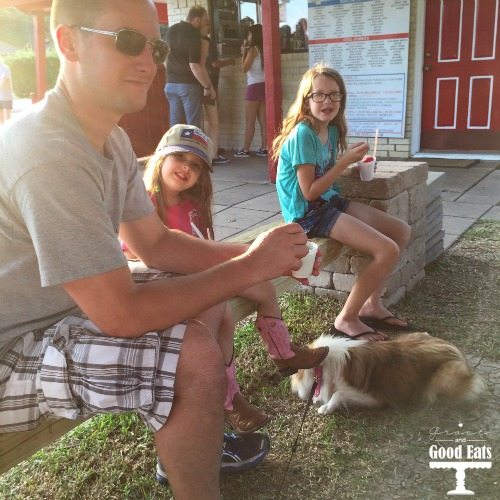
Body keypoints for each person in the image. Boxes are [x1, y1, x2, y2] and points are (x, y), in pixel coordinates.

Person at [0, 1, 319, 499]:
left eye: (156, 45)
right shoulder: (47, 152)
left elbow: (155, 244)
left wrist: (256, 253)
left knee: (208, 299)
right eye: (128, 40)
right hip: (12, 349)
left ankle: (189, 454)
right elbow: (120, 313)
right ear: (68, 43)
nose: (149, 61)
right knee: (190, 356)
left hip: (63, 309)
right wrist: (251, 266)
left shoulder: (112, 139)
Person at [124, 123, 329, 426]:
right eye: (180, 157)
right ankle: (228, 398)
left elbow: (205, 248)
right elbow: (135, 251)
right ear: (161, 157)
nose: (186, 169)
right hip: (162, 281)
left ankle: (283, 353)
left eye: (196, 165)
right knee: (222, 311)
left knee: (264, 289)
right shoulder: (143, 202)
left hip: (199, 271)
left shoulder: (192, 205)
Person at [273, 64, 412, 342]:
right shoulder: (303, 133)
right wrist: (343, 162)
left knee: (400, 231)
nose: (327, 102)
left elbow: (323, 175)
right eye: (319, 95)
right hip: (307, 214)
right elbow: (309, 191)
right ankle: (347, 318)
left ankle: (372, 305)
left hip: (328, 201)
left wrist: (353, 168)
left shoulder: (332, 130)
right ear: (306, 99)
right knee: (387, 250)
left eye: (334, 95)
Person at [165, 5, 215, 128]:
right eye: (204, 21)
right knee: (193, 126)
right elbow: (194, 65)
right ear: (197, 20)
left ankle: (175, 147)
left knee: (175, 126)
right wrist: (207, 87)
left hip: (170, 84)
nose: (205, 23)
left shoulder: (171, 30)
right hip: (188, 85)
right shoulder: (193, 34)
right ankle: (193, 147)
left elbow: (165, 57)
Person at [200, 22, 235, 165]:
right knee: (214, 123)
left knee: (207, 122)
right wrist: (230, 61)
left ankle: (206, 151)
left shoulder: (194, 42)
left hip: (197, 87)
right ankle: (212, 155)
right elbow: (214, 64)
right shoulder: (207, 42)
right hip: (209, 86)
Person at [234, 24, 267, 159]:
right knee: (263, 121)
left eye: (249, 34)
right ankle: (265, 148)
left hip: (253, 87)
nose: (248, 36)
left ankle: (245, 149)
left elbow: (244, 68)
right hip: (264, 86)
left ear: (253, 35)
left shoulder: (253, 50)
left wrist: (243, 53)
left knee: (250, 121)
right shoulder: (265, 49)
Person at [0, 60, 13, 125]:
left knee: (8, 118)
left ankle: (8, 132)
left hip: (6, 96)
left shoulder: (5, 68)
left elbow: (4, 81)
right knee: (1, 118)